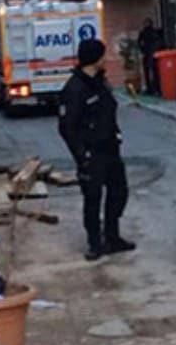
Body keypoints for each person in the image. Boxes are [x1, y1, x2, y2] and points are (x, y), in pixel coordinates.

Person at [58, 39, 136, 261]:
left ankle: (113, 236)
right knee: (93, 199)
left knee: (119, 193)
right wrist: (82, 156)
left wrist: (116, 134)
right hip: (91, 154)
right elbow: (67, 128)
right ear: (94, 59)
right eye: (102, 55)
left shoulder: (101, 83)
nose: (106, 59)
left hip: (110, 149)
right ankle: (95, 242)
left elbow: (108, 113)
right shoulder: (74, 89)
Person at [136, 17, 164, 95]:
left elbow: (140, 43)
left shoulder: (152, 32)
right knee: (151, 72)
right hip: (150, 54)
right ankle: (153, 88)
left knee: (153, 72)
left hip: (151, 54)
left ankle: (154, 88)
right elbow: (139, 43)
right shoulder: (146, 33)